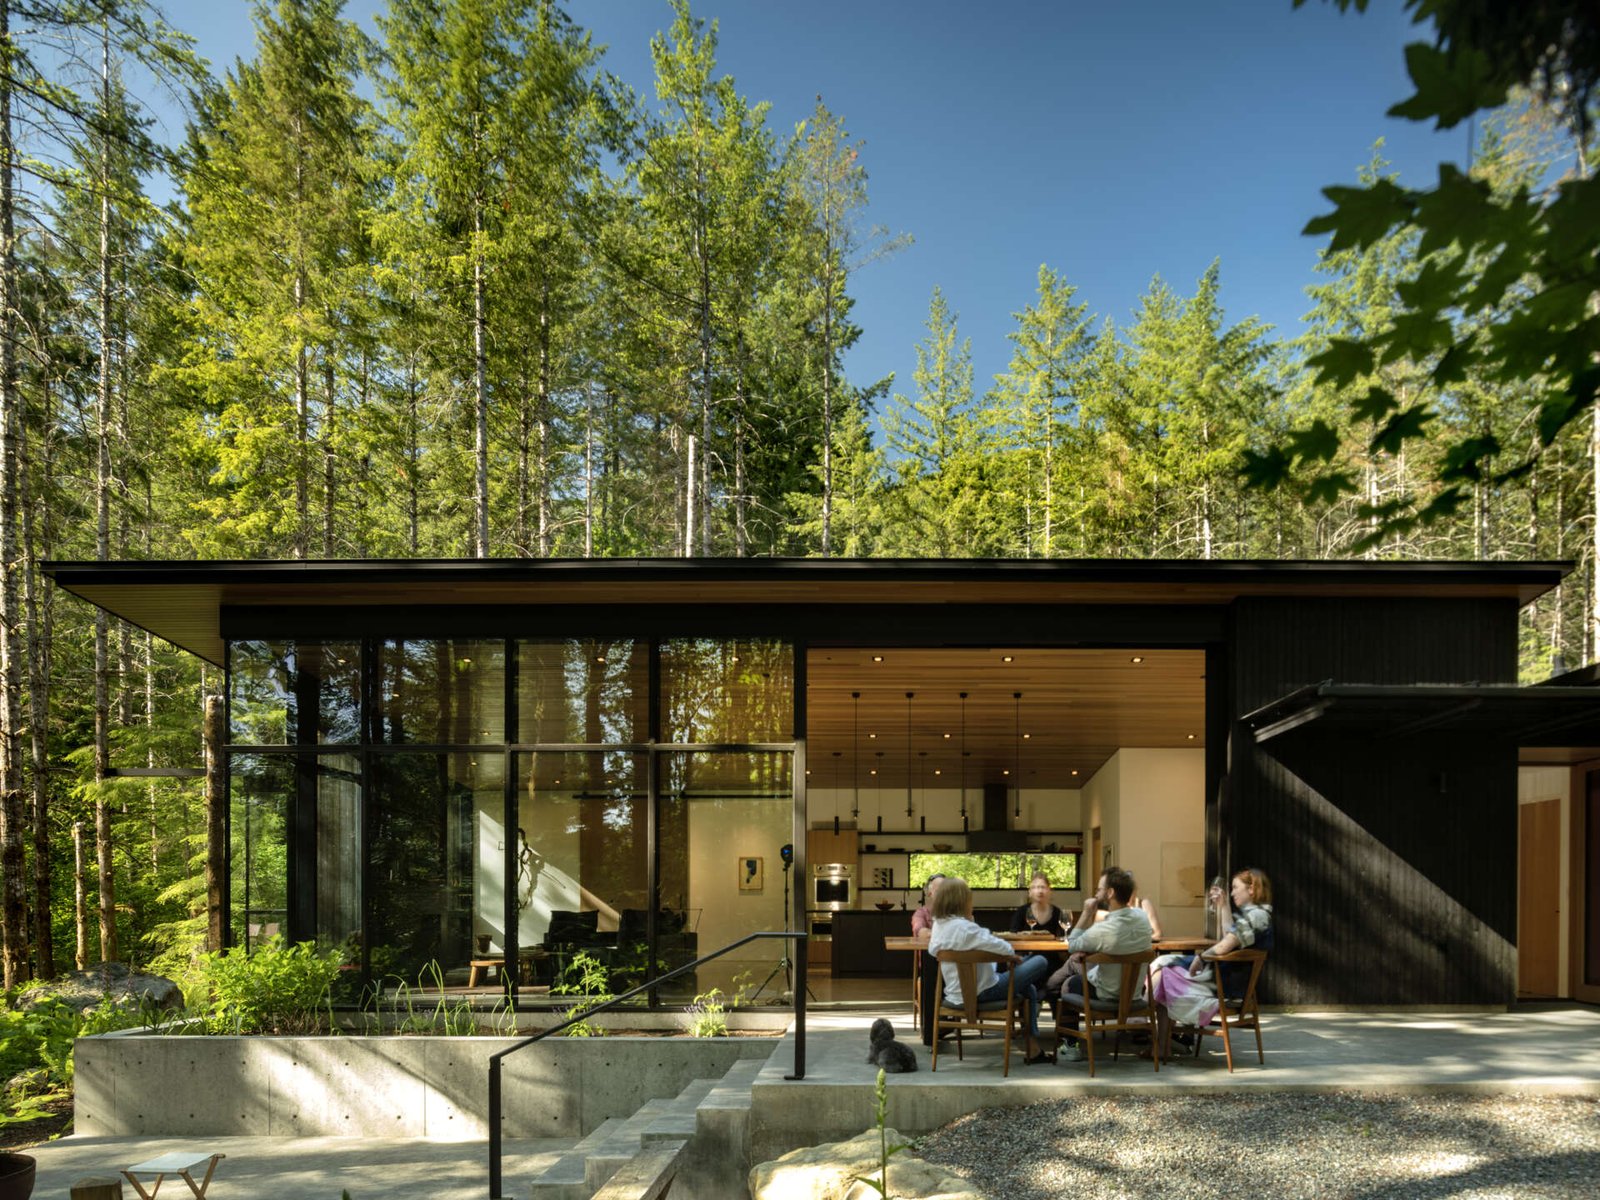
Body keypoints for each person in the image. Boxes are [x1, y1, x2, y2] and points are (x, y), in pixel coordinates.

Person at [1148, 867, 1274, 1059]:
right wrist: (1223, 905)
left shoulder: (1257, 916)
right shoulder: (1257, 915)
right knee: (1164, 969)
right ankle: (1165, 1044)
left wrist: (1201, 957)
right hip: (1229, 983)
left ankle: (1155, 1038)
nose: (1232, 893)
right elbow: (1229, 935)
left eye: (1235, 888)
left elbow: (1226, 944)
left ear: (1251, 889)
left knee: (1163, 971)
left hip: (1224, 987)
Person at [927, 876, 1053, 1064]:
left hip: (954, 995)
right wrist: (1011, 957)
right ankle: (1031, 1046)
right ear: (962, 901)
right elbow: (1006, 948)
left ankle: (1033, 1048)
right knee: (1040, 961)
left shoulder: (939, 926)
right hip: (985, 992)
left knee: (1029, 988)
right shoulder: (967, 929)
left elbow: (934, 949)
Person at [1053, 866, 1154, 1063]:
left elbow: (1072, 945)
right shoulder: (1142, 918)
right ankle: (1049, 989)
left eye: (1099, 889)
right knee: (1073, 967)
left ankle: (1071, 1045)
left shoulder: (1103, 929)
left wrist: (1086, 912)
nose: (1096, 892)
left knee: (1069, 984)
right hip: (1134, 994)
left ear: (1110, 893)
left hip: (1108, 995)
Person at [911, 874, 944, 940]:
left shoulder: (957, 912)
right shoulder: (921, 913)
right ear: (929, 893)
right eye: (939, 891)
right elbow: (920, 930)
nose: (944, 894)